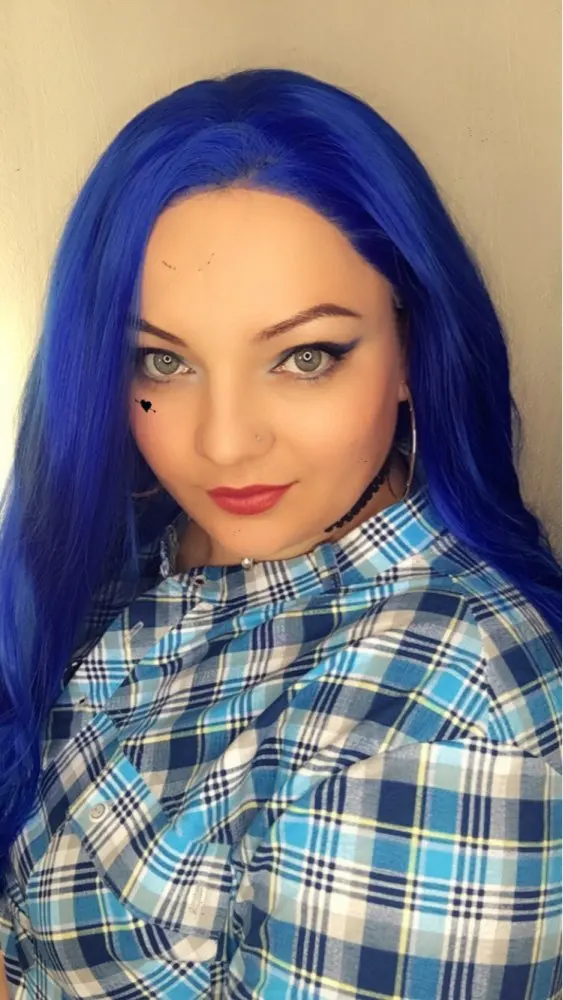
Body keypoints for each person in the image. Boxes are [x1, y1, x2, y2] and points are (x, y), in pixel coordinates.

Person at [0, 67, 560, 1000]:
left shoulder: (443, 717)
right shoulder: (125, 553)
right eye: (162, 361)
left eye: (304, 356)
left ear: (413, 350)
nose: (224, 444)